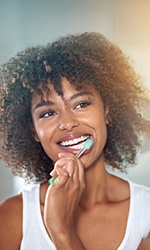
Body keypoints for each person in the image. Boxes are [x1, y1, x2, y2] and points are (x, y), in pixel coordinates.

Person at [0, 32, 150, 250]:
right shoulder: (10, 219)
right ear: (33, 130)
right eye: (48, 113)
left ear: (107, 110)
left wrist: (61, 229)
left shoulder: (147, 212)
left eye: (81, 104)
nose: (67, 123)